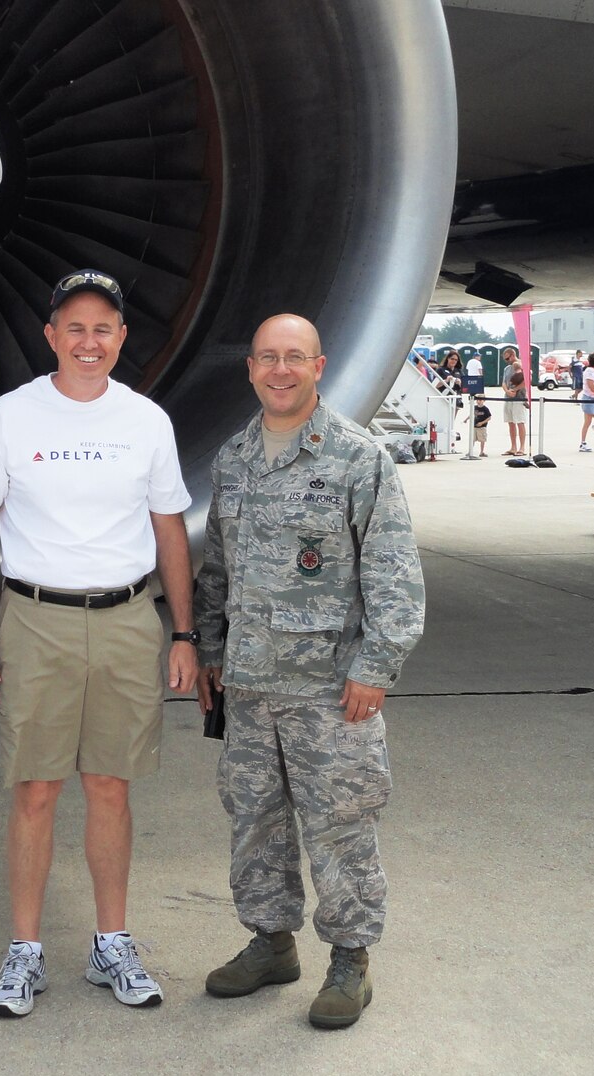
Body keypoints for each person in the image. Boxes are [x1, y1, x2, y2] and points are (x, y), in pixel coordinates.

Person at [0, 268, 199, 1019]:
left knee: (110, 786)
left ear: (121, 339)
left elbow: (169, 531)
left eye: (103, 329)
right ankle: (24, 952)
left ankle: (110, 942)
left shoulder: (146, 421)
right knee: (35, 789)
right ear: (51, 335)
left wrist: (182, 631)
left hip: (128, 618)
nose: (88, 342)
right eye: (75, 327)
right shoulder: (9, 417)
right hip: (36, 617)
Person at [192, 313, 425, 1031]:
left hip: (331, 689)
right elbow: (220, 569)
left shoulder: (357, 457)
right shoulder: (235, 458)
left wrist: (376, 666)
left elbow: (393, 571)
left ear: (319, 366)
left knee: (340, 825)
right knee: (255, 821)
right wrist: (208, 652)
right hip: (252, 684)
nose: (281, 370)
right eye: (268, 357)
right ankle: (270, 943)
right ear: (252, 368)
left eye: (295, 357)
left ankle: (351, 960)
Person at [500, 346, 528, 455]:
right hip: (508, 398)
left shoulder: (520, 364)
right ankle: (513, 447)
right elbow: (503, 382)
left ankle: (522, 447)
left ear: (512, 355)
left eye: (507, 359)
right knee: (510, 423)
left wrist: (515, 389)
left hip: (519, 398)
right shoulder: (507, 369)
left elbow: (526, 381)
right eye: (505, 360)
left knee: (520, 422)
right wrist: (507, 391)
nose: (507, 361)